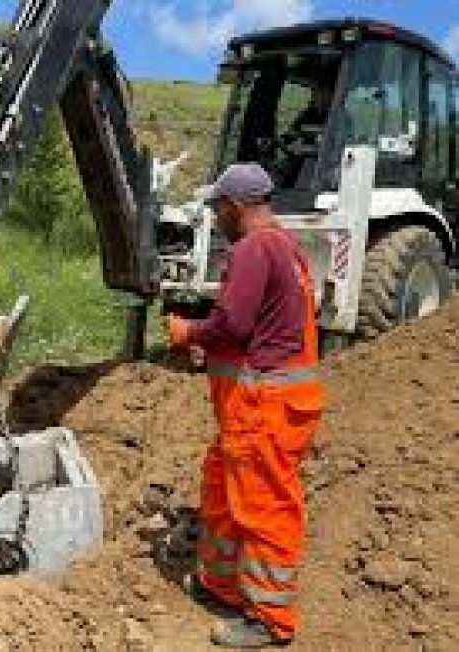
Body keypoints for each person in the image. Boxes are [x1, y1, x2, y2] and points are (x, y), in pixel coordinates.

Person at [165, 164, 324, 648]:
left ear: (235, 207)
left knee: (262, 506)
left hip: (263, 408)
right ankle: (225, 587)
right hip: (258, 406)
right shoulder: (284, 246)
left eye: (217, 209)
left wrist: (190, 333)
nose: (214, 217)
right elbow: (263, 326)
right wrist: (212, 347)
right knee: (224, 493)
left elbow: (233, 323)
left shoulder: (254, 248)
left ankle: (270, 618)